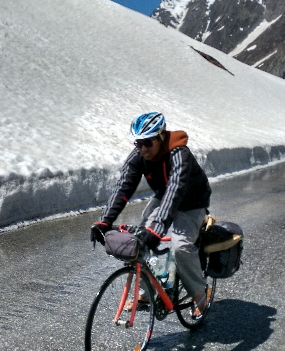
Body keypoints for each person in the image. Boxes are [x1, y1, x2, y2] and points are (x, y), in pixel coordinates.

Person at [90, 112, 212, 318]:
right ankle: (148, 291)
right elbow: (123, 188)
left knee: (181, 246)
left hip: (192, 202)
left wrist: (156, 231)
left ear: (161, 137)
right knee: (140, 240)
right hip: (164, 196)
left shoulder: (179, 154)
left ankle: (200, 293)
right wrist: (104, 221)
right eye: (139, 143)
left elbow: (175, 192)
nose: (143, 149)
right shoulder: (139, 155)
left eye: (148, 143)